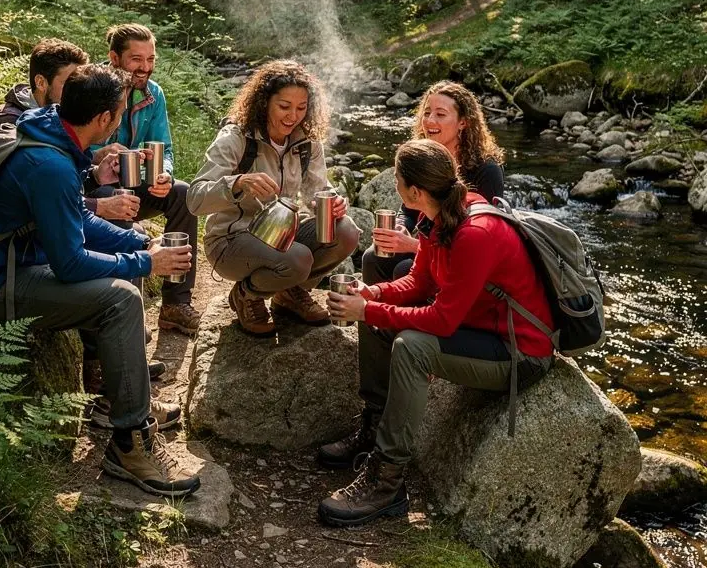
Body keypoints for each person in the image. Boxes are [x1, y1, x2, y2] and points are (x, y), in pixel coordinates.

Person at [0, 63, 201, 499]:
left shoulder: (52, 133)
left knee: (127, 264)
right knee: (121, 298)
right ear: (104, 118)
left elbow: (77, 217)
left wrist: (139, 242)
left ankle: (118, 400)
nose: (120, 121)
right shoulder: (49, 164)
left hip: (16, 264)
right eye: (119, 113)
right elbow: (70, 264)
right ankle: (129, 444)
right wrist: (145, 261)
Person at [318, 139, 554, 526]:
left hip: (518, 352)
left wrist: (368, 309)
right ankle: (375, 426)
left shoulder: (475, 232)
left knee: (412, 347)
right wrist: (372, 294)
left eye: (397, 177)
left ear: (414, 191)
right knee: (379, 320)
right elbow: (419, 281)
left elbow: (443, 321)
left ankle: (387, 483)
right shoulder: (436, 216)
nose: (393, 182)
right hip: (479, 331)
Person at [187, 60, 360, 337]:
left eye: (301, 108)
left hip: (281, 233)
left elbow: (319, 190)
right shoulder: (236, 138)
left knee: (347, 231)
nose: (293, 116)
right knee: (298, 258)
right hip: (231, 241)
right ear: (264, 102)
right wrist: (237, 183)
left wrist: (332, 202)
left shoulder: (306, 142)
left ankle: (290, 292)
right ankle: (247, 295)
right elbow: (195, 199)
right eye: (284, 106)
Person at [89, 23, 200, 337]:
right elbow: (71, 144)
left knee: (183, 195)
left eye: (150, 59)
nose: (145, 67)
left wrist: (164, 173)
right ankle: (127, 313)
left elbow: (165, 148)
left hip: (137, 180)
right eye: (136, 59)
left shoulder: (154, 94)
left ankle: (176, 303)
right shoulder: (92, 88)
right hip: (94, 184)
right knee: (117, 202)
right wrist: (97, 155)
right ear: (114, 57)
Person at [0, 38, 139, 227]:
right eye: (70, 84)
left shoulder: (49, 122)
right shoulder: (12, 125)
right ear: (41, 82)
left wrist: (94, 176)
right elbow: (32, 199)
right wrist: (98, 206)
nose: (79, 92)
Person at [363, 80, 505, 290]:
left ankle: (402, 311)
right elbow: (408, 210)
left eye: (440, 114)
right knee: (373, 258)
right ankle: (371, 308)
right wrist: (401, 227)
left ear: (463, 122)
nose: (430, 120)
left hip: (464, 260)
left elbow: (481, 243)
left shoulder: (487, 170)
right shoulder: (422, 156)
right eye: (427, 112)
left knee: (404, 269)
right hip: (427, 246)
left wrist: (413, 245)